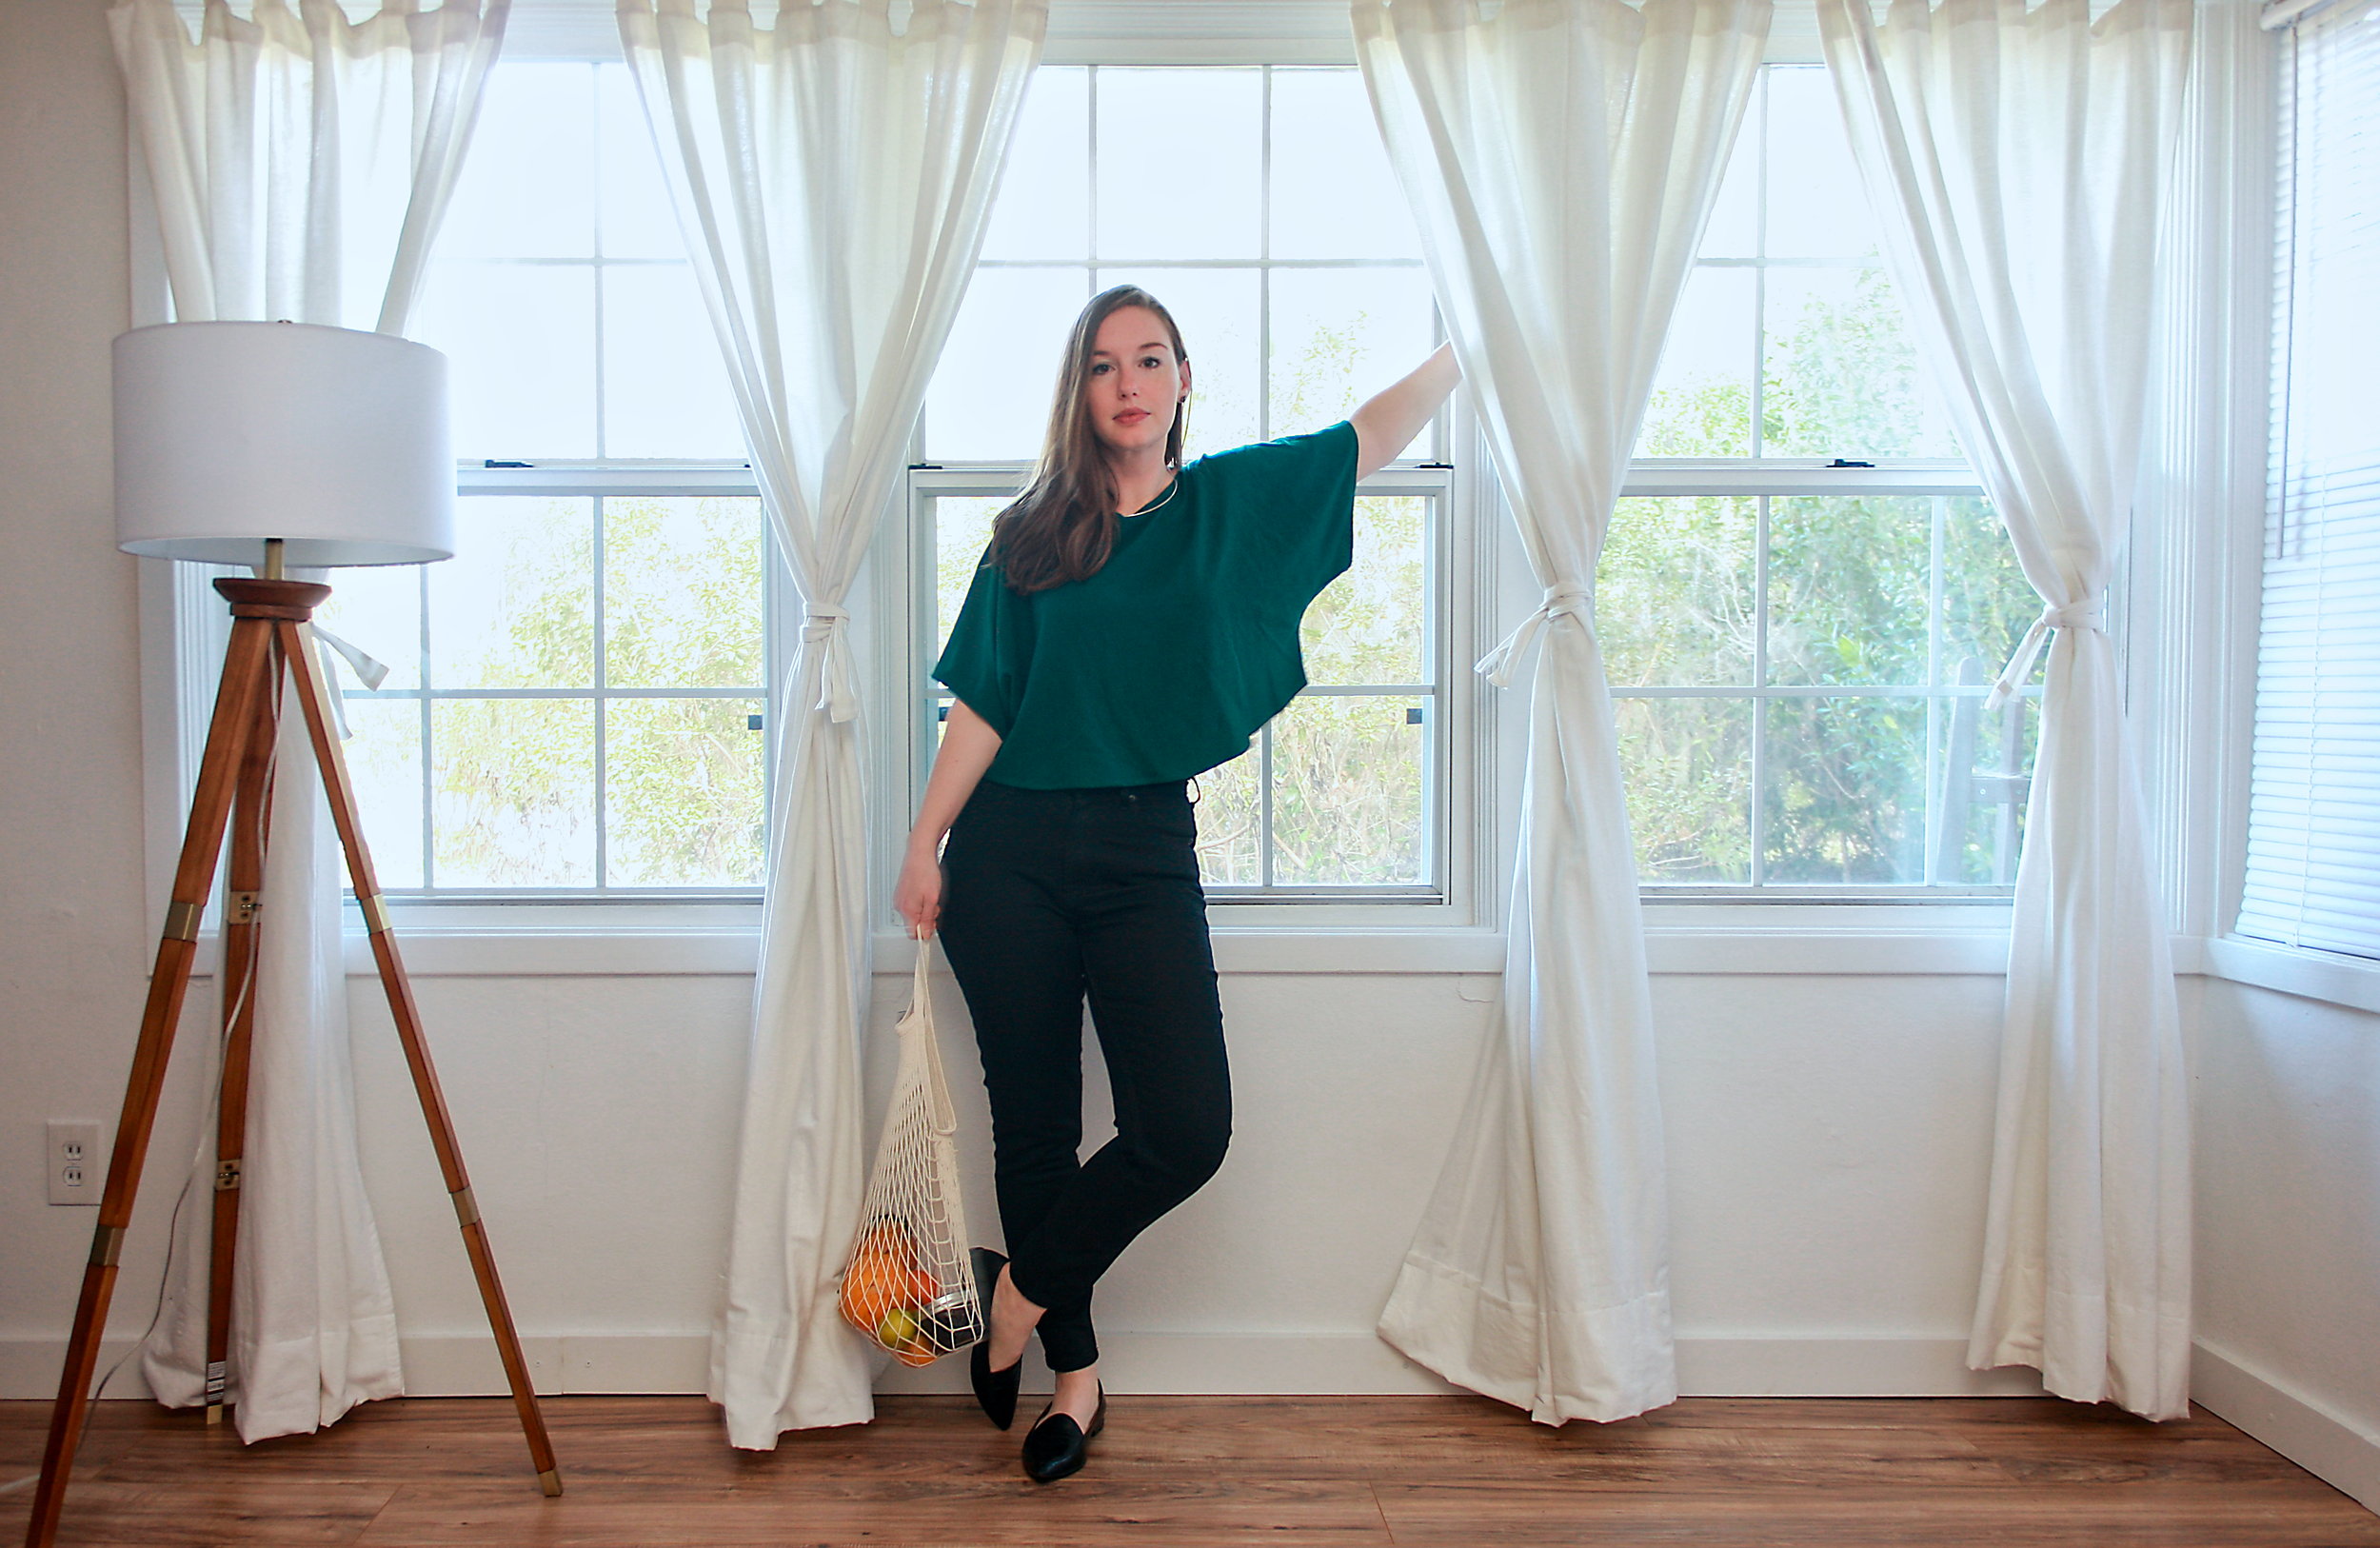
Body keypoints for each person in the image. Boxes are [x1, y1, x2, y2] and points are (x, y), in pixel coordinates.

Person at [895, 284, 1458, 1482]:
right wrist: (923, 840)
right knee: (1037, 1122)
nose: (1129, 384)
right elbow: (985, 702)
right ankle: (1077, 1382)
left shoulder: (1227, 507)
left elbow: (1364, 436)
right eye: (1104, 366)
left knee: (1184, 1127)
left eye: (1150, 361)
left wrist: (1470, 352)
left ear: (1182, 378)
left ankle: (1018, 1296)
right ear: (1080, 391)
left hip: (1144, 848)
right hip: (1007, 857)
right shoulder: (1029, 537)